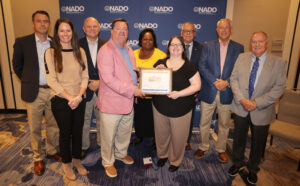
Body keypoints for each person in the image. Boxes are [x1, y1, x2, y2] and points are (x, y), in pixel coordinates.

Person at [228, 31, 286, 185]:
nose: (257, 45)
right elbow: (233, 79)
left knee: (258, 142)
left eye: (260, 41)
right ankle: (237, 163)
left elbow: (279, 88)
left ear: (266, 42)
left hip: (262, 110)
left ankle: (253, 169)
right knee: (238, 137)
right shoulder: (242, 58)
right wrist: (242, 99)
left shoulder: (279, 63)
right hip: (241, 106)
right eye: (254, 42)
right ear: (250, 43)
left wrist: (256, 103)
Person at [12, 10, 61, 176]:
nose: (42, 24)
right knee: (35, 127)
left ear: (49, 23)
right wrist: (29, 81)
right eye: (39, 21)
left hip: (53, 92)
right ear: (33, 23)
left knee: (53, 125)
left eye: (45, 21)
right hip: (34, 91)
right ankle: (38, 157)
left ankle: (52, 151)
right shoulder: (22, 42)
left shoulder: (55, 42)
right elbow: (17, 66)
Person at [96, 18, 144, 178]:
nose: (122, 31)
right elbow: (109, 79)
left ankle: (120, 153)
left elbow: (131, 71)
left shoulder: (129, 49)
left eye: (125, 29)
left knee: (124, 132)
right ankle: (108, 161)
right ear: (111, 31)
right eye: (119, 28)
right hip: (112, 103)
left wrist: (144, 77)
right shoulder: (105, 51)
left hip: (128, 101)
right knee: (108, 136)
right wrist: (133, 89)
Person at [44, 18, 89, 180]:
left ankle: (77, 160)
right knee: (65, 133)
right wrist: (70, 98)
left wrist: (78, 96)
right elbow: (52, 81)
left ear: (73, 32)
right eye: (61, 30)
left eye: (68, 30)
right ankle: (67, 164)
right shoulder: (50, 53)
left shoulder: (80, 52)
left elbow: (85, 76)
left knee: (77, 132)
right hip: (61, 100)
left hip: (78, 98)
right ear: (56, 33)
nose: (65, 34)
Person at [194, 18, 244, 162]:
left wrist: (226, 82)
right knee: (204, 122)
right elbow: (202, 66)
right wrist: (215, 82)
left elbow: (239, 69)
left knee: (224, 124)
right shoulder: (207, 46)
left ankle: (221, 149)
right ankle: (203, 146)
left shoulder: (238, 48)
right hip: (210, 89)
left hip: (227, 91)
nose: (223, 30)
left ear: (231, 29)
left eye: (226, 27)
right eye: (221, 27)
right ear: (217, 30)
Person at [153, 36, 201, 172]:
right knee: (161, 134)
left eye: (178, 45)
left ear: (183, 48)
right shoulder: (160, 62)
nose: (175, 47)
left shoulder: (189, 65)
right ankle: (162, 155)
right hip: (160, 107)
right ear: (168, 47)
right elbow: (150, 82)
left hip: (182, 108)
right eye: (172, 45)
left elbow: (197, 85)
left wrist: (179, 93)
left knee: (178, 137)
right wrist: (157, 71)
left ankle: (175, 160)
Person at [132, 28, 166, 147]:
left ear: (154, 41)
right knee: (139, 117)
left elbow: (165, 75)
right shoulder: (133, 54)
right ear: (140, 40)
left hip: (155, 96)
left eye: (150, 39)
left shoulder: (161, 54)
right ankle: (139, 135)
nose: (147, 41)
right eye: (145, 39)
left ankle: (156, 140)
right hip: (138, 93)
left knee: (155, 120)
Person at [79, 17, 106, 159]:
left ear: (99, 28)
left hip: (103, 90)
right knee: (84, 121)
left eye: (95, 26)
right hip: (84, 90)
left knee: (103, 121)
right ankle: (83, 146)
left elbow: (111, 69)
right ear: (83, 28)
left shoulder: (106, 45)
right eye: (88, 26)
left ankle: (103, 145)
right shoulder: (76, 45)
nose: (92, 29)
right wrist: (85, 83)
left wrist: (100, 82)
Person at [180, 22, 203, 150]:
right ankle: (176, 138)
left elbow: (203, 69)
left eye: (191, 31)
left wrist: (198, 90)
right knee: (176, 116)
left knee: (189, 116)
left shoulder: (201, 48)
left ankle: (186, 140)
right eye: (186, 31)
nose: (188, 33)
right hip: (177, 89)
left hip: (193, 90)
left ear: (194, 33)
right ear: (181, 33)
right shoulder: (175, 46)